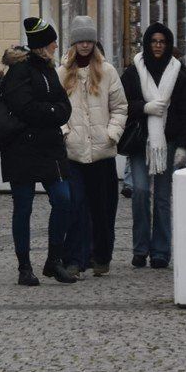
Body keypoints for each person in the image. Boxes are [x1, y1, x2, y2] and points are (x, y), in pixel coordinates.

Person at [119, 22, 186, 269]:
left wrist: (184, 146)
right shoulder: (133, 72)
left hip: (169, 141)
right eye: (154, 41)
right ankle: (140, 247)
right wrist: (144, 108)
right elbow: (122, 105)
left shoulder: (181, 74)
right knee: (141, 192)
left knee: (163, 198)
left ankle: (161, 251)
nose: (157, 46)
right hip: (139, 142)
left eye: (162, 42)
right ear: (146, 44)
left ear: (168, 45)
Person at [1, 17, 76, 285]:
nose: (57, 45)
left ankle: (54, 260)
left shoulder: (48, 70)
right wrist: (53, 112)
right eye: (53, 41)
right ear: (43, 45)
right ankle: (24, 266)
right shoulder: (19, 72)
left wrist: (53, 112)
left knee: (63, 199)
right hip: (22, 148)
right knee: (23, 207)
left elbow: (64, 104)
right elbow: (25, 108)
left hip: (50, 147)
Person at [60, 16, 126, 277]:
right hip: (74, 152)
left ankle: (101, 255)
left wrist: (112, 133)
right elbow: (58, 110)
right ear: (74, 44)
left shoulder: (107, 71)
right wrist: (65, 132)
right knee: (76, 207)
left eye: (89, 40)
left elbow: (120, 107)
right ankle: (75, 259)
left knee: (103, 209)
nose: (85, 45)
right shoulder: (63, 73)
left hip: (102, 152)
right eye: (80, 41)